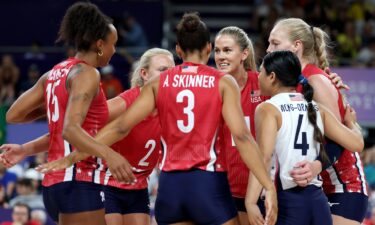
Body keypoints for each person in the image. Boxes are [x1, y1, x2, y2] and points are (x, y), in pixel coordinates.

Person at [38, 12, 277, 225]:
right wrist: (267, 185)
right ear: (207, 48)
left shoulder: (159, 82)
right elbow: (243, 137)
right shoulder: (223, 81)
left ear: (179, 50)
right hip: (207, 183)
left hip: (170, 187)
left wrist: (72, 156)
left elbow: (120, 127)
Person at [1, 48, 175, 225]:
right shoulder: (124, 103)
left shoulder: (173, 108)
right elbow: (72, 133)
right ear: (144, 74)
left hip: (139, 186)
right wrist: (25, 149)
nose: (169, 76)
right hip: (107, 183)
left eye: (172, 71)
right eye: (163, 70)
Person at [1, 2, 134, 225]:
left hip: (56, 185)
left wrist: (25, 148)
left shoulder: (53, 74)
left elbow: (13, 114)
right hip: (77, 179)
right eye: (113, 44)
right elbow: (70, 131)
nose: (114, 51)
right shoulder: (88, 73)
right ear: (100, 45)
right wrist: (110, 155)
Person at [213, 26, 345, 225]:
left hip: (260, 189)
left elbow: (298, 88)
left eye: (227, 50)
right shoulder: (210, 87)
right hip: (223, 186)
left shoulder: (263, 82)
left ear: (244, 54)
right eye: (217, 50)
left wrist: (329, 82)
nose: (221, 56)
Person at [266, 18, 368, 225]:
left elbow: (341, 141)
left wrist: (316, 166)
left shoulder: (316, 80)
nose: (268, 49)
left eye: (275, 43)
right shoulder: (290, 82)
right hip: (314, 183)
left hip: (343, 184)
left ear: (297, 46)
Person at [245, 50, 364, 225]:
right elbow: (357, 144)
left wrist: (251, 201)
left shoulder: (267, 108)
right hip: (318, 202)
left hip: (288, 203)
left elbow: (263, 158)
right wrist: (351, 122)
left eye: (261, 72)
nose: (258, 77)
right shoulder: (316, 107)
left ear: (272, 77)